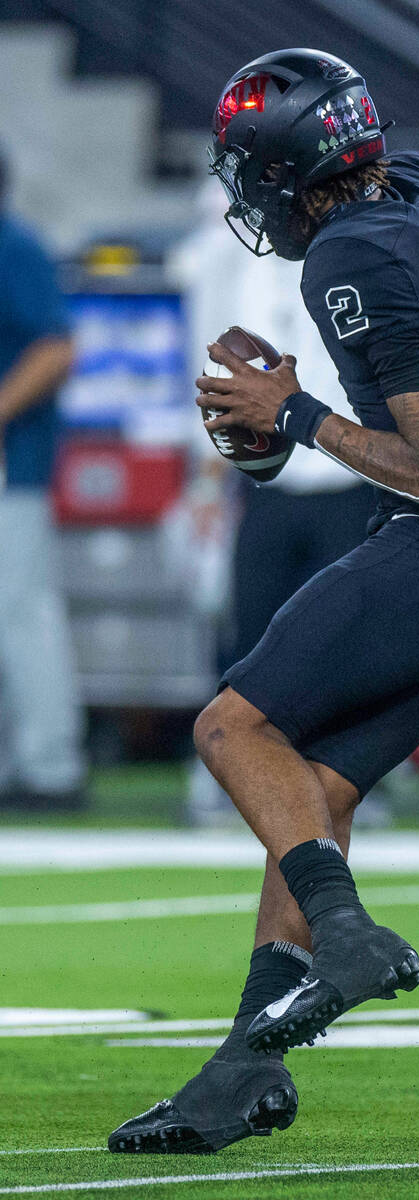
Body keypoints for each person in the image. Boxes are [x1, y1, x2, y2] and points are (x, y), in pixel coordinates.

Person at [109, 48, 419, 1156]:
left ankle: (342, 935)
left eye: (251, 170)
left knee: (231, 727)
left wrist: (290, 413)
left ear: (290, 168)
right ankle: (241, 1074)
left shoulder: (351, 253)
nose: (248, 196)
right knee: (313, 794)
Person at [170, 186, 377, 825]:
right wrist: (207, 482)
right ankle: (232, 772)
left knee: (345, 638)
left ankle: (346, 777)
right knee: (254, 632)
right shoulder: (239, 266)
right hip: (265, 480)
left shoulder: (354, 255)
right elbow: (217, 375)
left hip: (346, 471)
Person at [0, 148, 86, 812]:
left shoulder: (12, 243)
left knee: (22, 612)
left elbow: (55, 347)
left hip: (12, 466)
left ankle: (50, 764)